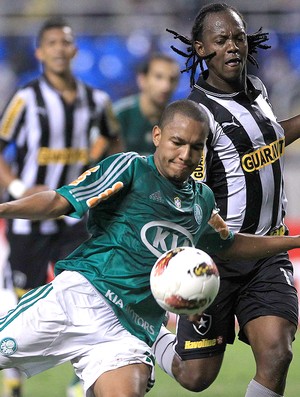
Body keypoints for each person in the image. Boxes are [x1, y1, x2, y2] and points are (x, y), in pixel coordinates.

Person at [1, 99, 300, 397]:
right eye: (177, 142)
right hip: (79, 298)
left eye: (197, 147)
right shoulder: (130, 168)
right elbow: (58, 201)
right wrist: (4, 208)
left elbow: (229, 246)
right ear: (157, 136)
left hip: (127, 331)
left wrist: (295, 240)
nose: (186, 155)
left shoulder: (202, 201)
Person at [153, 3, 299, 397]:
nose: (234, 46)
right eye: (221, 40)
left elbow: (266, 139)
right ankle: (146, 331)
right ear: (201, 49)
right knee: (196, 377)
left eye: (238, 36)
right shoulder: (199, 115)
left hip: (268, 250)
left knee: (277, 352)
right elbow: (188, 193)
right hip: (217, 257)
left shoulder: (258, 92)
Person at [0, 17, 122, 397]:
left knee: (86, 294)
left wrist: (99, 180)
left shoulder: (96, 100)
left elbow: (114, 144)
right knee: (26, 300)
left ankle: (79, 381)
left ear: (74, 50)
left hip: (74, 218)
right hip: (30, 221)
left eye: (64, 42)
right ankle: (14, 377)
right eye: (50, 42)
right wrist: (19, 186)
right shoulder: (25, 99)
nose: (58, 48)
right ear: (39, 51)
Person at [113, 53, 180, 155]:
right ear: (142, 80)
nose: (166, 86)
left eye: (172, 79)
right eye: (158, 77)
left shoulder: (177, 120)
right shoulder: (119, 115)